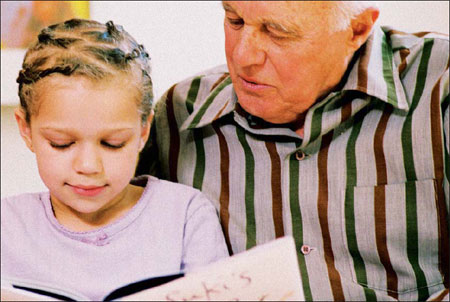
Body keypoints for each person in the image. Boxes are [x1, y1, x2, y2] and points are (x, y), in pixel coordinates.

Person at [136, 1, 449, 301]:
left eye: (277, 32)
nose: (243, 55)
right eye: (235, 20)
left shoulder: (440, 87)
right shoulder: (179, 118)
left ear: (357, 29)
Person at [1, 19, 228, 301]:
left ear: (143, 131)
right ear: (26, 129)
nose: (88, 166)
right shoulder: (7, 225)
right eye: (62, 144)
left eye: (113, 144)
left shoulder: (186, 217)